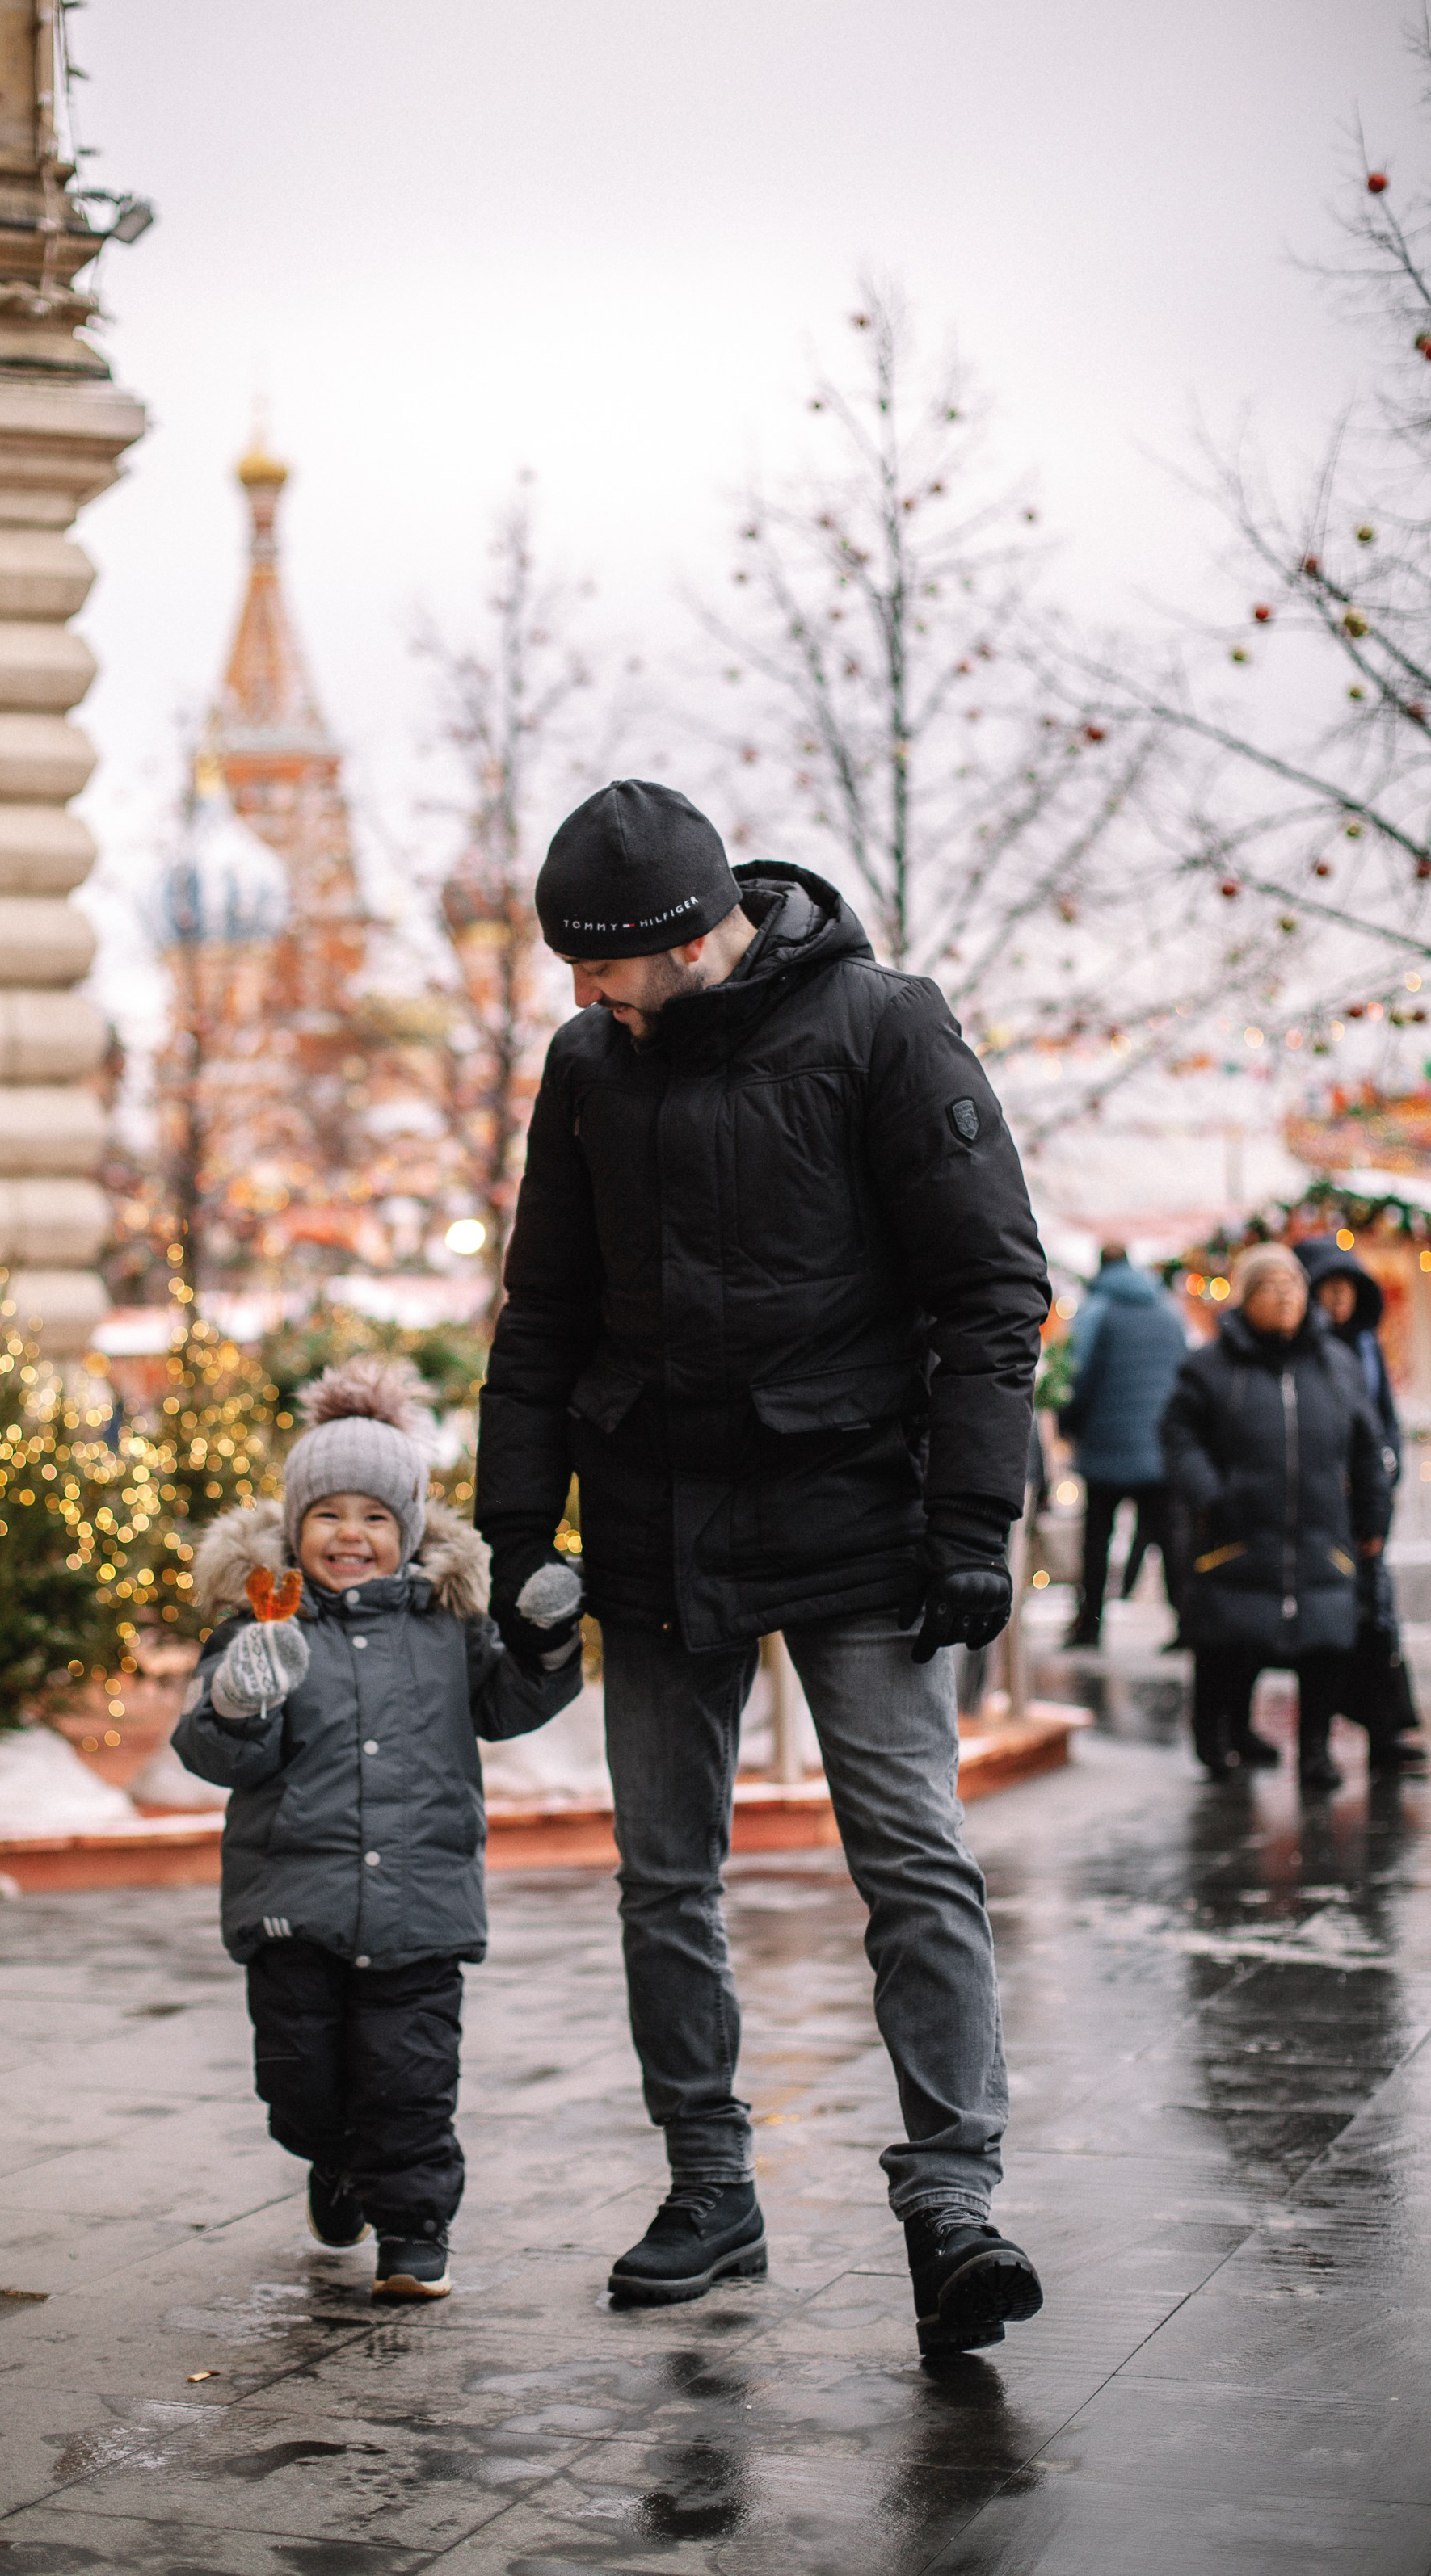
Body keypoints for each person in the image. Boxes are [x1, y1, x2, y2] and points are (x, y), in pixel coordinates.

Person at [478, 778, 1050, 2358]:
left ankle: (954, 2198)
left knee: (912, 1855)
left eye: (600, 963)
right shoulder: (588, 1064)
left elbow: (989, 1286)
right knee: (664, 1872)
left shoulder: (882, 1027)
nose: (583, 992)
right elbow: (542, 1314)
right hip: (655, 1522)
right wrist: (517, 1533)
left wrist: (971, 1521)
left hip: (858, 1516)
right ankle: (709, 2184)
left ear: (683, 936)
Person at [174, 1357, 583, 2301]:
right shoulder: (261, 1627)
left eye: (374, 1517)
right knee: (298, 2087)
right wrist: (237, 1702)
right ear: (294, 1527)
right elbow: (213, 1752)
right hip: (295, 1908)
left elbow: (510, 1702)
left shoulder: (448, 1627)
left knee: (409, 2081)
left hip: (418, 1909)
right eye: (327, 1515)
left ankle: (413, 2234)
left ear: (407, 1531)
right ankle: (333, 2161)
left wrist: (546, 1642)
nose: (349, 1535)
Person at [1160, 1241, 1391, 1791]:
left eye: (1292, 1285)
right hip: (1238, 1533)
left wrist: (1373, 1518)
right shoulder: (1210, 1366)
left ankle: (1315, 1751)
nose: (1285, 1296)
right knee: (1228, 1639)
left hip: (1321, 1535)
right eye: (1269, 1286)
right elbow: (1179, 1436)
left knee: (1326, 1643)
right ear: (1245, 1298)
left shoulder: (1336, 1365)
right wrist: (1210, 1495)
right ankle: (1216, 1734)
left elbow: (1367, 1448)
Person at [1294, 1237, 1428, 1775]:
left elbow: (1383, 1421)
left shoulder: (1366, 1346)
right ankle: (1315, 1743)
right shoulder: (1301, 1350)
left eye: (1346, 1288)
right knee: (1325, 1626)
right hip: (1319, 1508)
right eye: (1327, 1288)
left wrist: (1384, 1477)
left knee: (1376, 1618)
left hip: (1364, 1505)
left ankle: (1386, 1730)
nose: (1338, 1299)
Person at [1056, 1242, 1189, 1648]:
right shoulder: (1169, 1310)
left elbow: (1077, 1375)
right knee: (1169, 1540)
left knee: (1097, 1540)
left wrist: (1068, 1423)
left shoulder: (1096, 1310)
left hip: (1106, 1448)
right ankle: (1187, 1626)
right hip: (1159, 1448)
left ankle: (1090, 1626)